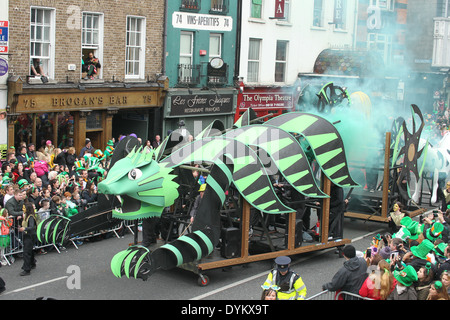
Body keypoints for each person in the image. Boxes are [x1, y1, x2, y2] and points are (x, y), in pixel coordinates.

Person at [19, 202, 38, 276]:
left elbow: (32, 227)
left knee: (26, 252)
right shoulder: (27, 216)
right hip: (28, 235)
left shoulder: (30, 217)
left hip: (29, 236)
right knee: (30, 250)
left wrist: (24, 228)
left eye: (24, 208)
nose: (23, 209)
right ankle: (32, 263)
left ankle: (27, 269)